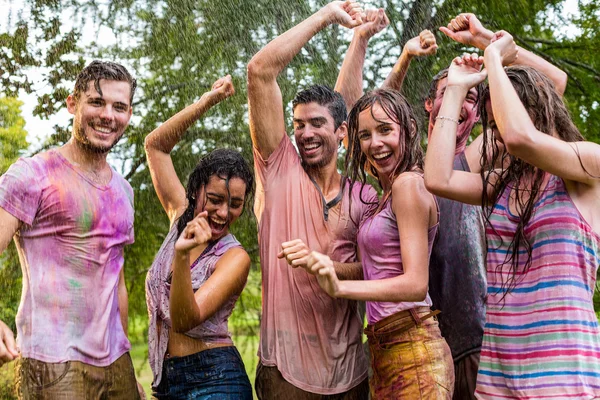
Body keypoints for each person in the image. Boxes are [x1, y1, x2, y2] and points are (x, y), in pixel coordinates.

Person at [379, 14, 570, 399]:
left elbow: (552, 88)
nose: (464, 101)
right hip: (416, 341)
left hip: (476, 339)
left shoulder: (480, 159)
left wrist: (489, 43)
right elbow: (375, 115)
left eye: (471, 97)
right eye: (453, 93)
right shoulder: (404, 166)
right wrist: (403, 60)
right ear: (430, 104)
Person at [424, 32, 600, 399]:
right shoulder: (504, 181)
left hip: (562, 373)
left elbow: (522, 138)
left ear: (540, 108)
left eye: (503, 120)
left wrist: (492, 56)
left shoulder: (588, 165)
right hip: (499, 372)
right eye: (493, 125)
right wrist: (455, 90)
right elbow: (437, 177)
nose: (500, 136)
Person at [247, 1, 385, 398]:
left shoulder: (363, 194)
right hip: (286, 376)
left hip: (352, 377)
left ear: (342, 133)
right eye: (298, 125)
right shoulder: (279, 171)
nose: (305, 133)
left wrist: (359, 40)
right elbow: (259, 71)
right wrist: (327, 14)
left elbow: (382, 271)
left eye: (317, 124)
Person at [0, 60, 143, 399]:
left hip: (116, 363)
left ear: (128, 114)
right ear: (72, 104)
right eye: (97, 102)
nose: (108, 115)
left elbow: (116, 282)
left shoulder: (124, 191)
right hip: (53, 362)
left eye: (118, 106)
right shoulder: (32, 175)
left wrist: (127, 366)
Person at [304, 88, 454, 398]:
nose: (376, 143)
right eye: (365, 135)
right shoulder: (385, 194)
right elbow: (381, 269)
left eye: (385, 129)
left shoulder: (408, 185)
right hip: (383, 347)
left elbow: (415, 284)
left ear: (408, 130)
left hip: (413, 348)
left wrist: (339, 287)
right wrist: (329, 265)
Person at [144, 75, 254, 399]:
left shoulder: (234, 258)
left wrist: (181, 255)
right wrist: (207, 101)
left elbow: (184, 319)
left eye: (235, 204)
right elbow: (155, 146)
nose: (223, 213)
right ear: (195, 192)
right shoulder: (179, 215)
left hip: (216, 379)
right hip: (167, 381)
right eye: (215, 200)